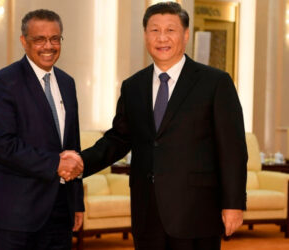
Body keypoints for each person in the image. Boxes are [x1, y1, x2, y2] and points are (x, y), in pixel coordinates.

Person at [60, 2, 247, 250]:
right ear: (145, 35)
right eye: (154, 30)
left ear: (186, 34)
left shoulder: (215, 82)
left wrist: (233, 203)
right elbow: (118, 139)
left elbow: (233, 149)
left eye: (170, 30)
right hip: (147, 211)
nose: (162, 38)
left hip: (196, 212)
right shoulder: (133, 86)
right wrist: (81, 162)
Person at [0, 9, 84, 250]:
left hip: (60, 211)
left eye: (55, 38)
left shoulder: (67, 83)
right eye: (40, 39)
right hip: (16, 212)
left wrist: (77, 202)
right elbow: (2, 145)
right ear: (24, 41)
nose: (49, 45)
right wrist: (55, 163)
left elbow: (72, 146)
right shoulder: (4, 82)